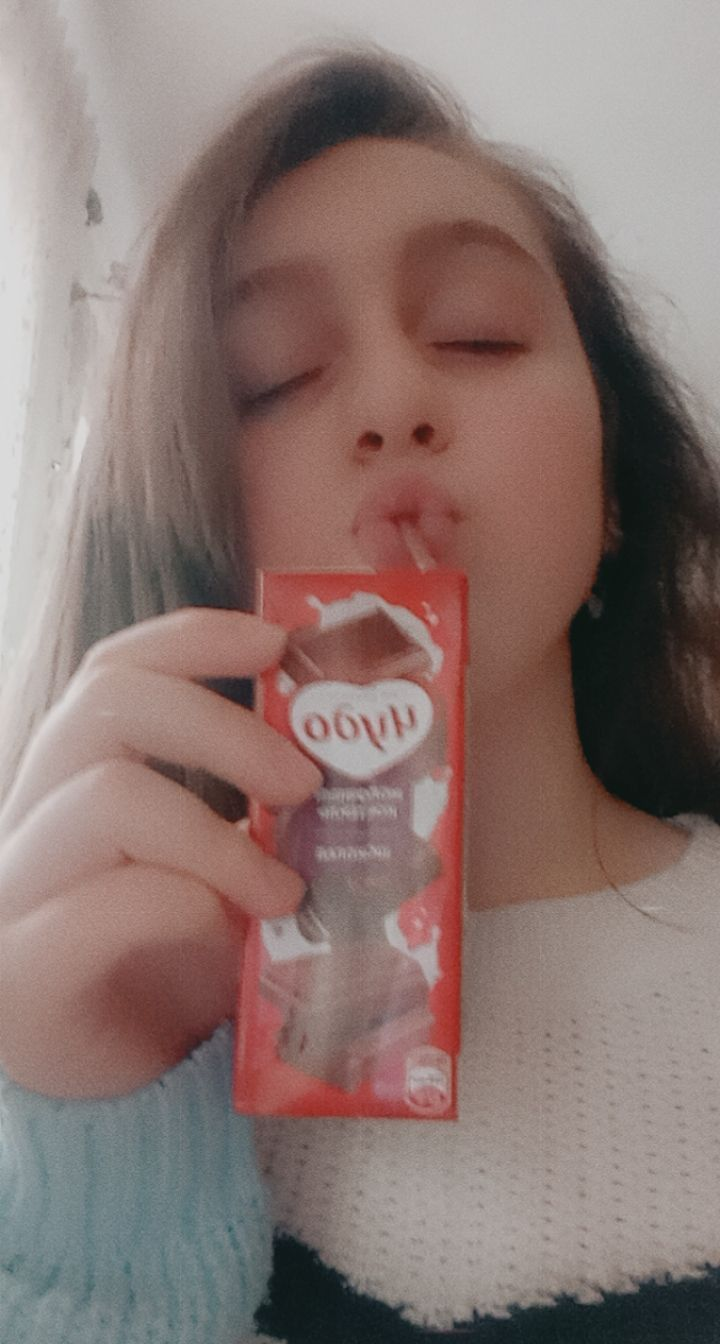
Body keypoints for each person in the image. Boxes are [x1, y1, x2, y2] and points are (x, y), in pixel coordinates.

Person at [2, 36, 720, 1344]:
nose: (391, 402)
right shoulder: (97, 1025)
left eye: (478, 334)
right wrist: (85, 1162)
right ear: (198, 541)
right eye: (273, 378)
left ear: (614, 484)